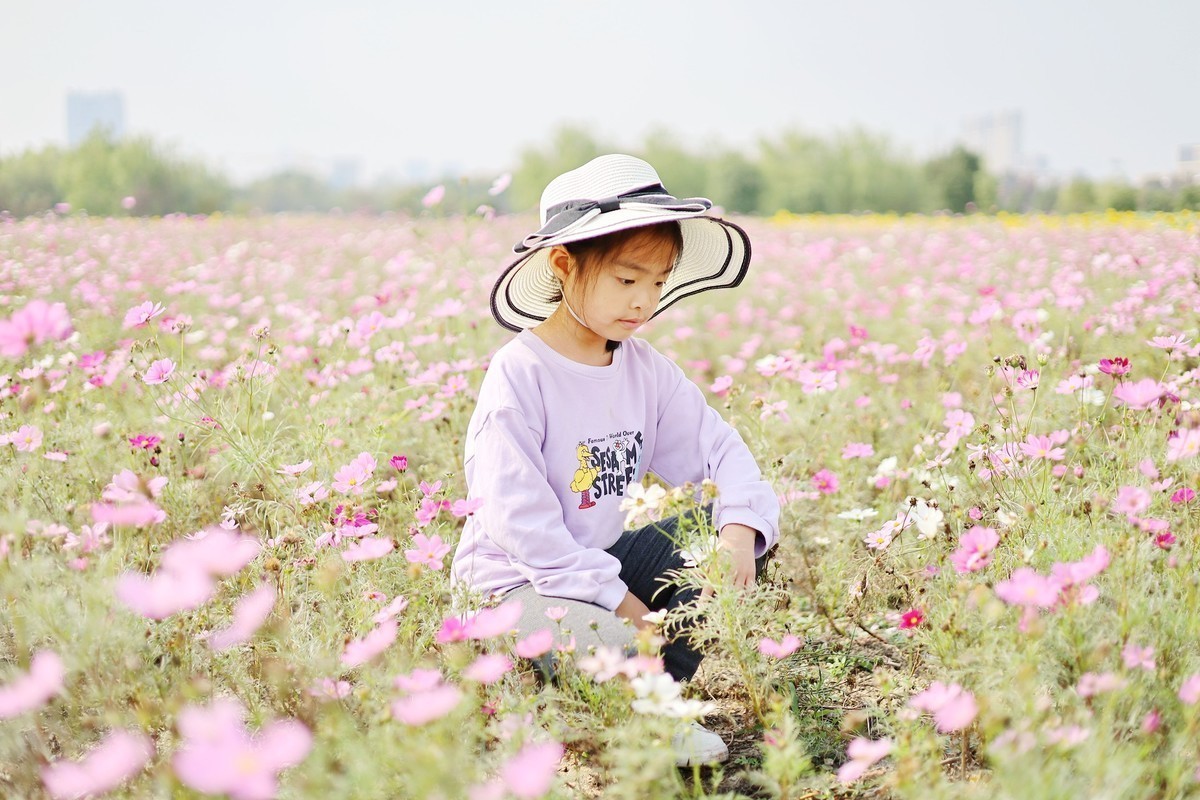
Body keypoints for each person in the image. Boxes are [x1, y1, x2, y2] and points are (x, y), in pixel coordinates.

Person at [450, 154, 780, 767]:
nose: (644, 302)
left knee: (732, 538)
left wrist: (736, 534)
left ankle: (653, 693)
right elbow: (526, 532)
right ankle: (615, 711)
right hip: (513, 588)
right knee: (608, 640)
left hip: (599, 565)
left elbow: (721, 454)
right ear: (563, 264)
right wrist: (625, 607)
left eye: (658, 282)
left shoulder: (643, 368)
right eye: (627, 281)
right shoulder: (519, 376)